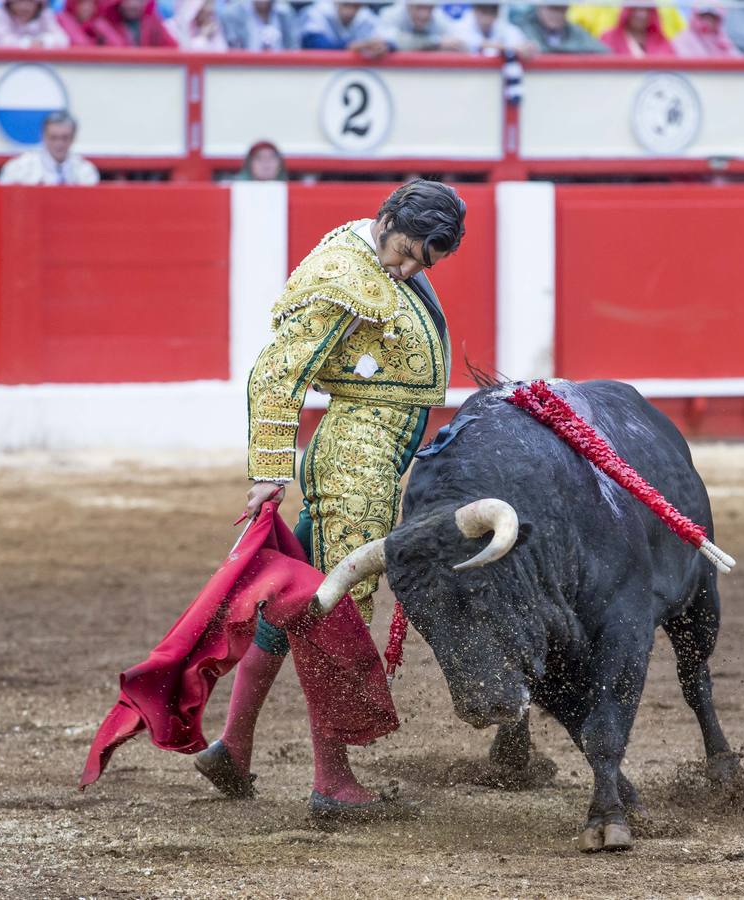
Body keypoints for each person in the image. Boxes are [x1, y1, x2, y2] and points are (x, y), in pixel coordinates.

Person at [196, 179, 466, 821]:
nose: (406, 269)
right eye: (405, 252)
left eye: (422, 264)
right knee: (338, 611)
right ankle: (332, 782)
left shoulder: (369, 255)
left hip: (371, 448)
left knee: (303, 603)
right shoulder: (347, 277)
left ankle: (232, 746)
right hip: (355, 459)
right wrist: (268, 469)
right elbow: (275, 370)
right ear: (389, 219)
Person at [0, 111, 101, 186]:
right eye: (53, 137)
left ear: (73, 138)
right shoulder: (19, 168)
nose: (59, 143)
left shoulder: (85, 171)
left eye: (65, 138)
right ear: (43, 137)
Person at [299, 0, 390, 56]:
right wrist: (351, 46)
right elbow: (317, 47)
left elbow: (390, 41)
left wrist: (382, 46)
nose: (350, 11)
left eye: (355, 6)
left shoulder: (365, 15)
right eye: (346, 4)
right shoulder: (317, 12)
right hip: (313, 73)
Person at [515, 3, 607, 53]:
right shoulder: (522, 29)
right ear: (540, 6)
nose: (556, 15)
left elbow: (604, 52)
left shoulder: (574, 31)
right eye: (552, 8)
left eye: (561, 9)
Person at [450, 3, 535, 56]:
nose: (487, 18)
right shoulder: (462, 24)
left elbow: (520, 44)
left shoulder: (502, 26)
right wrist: (508, 48)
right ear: (475, 10)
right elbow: (472, 42)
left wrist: (526, 46)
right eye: (483, 11)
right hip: (467, 76)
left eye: (492, 12)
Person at [378, 1, 466, 51]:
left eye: (429, 8)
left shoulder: (439, 17)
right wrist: (436, 42)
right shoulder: (390, 14)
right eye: (419, 7)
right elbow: (392, 41)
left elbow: (460, 44)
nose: (424, 15)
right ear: (408, 5)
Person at [218, 0, 299, 50]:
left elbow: (294, 49)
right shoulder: (231, 14)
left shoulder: (286, 14)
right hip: (244, 71)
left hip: (282, 71)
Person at [0, 0, 69, 46]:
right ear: (9, 3)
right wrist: (28, 43)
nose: (24, 7)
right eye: (19, 1)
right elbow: (1, 42)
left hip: (39, 68)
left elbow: (63, 39)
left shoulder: (45, 14)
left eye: (30, 1)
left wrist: (43, 42)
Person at [599, 5, 671, 55]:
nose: (641, 15)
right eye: (636, 9)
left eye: (646, 10)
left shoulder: (659, 40)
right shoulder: (609, 38)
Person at [671, 7, 739, 57]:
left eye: (712, 18)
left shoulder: (722, 39)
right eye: (704, 17)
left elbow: (736, 58)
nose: (708, 22)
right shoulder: (683, 38)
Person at [103, 0, 176, 45]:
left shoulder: (152, 19)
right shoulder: (106, 21)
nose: (133, 4)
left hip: (146, 67)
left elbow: (171, 47)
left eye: (139, 0)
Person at [58, 0, 125, 46]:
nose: (87, 8)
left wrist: (101, 27)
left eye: (91, 4)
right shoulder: (65, 19)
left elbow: (119, 44)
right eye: (82, 3)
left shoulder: (98, 23)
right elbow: (81, 45)